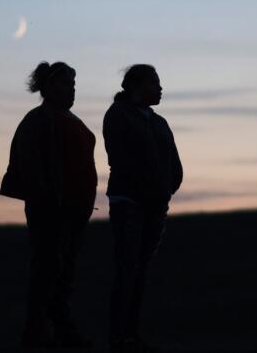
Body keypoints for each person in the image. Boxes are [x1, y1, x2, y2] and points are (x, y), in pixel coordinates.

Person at [0, 61, 97, 347]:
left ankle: (57, 330)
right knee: (47, 269)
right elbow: (30, 167)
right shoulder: (38, 120)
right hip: (51, 210)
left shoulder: (71, 120)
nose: (72, 90)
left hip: (75, 210)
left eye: (74, 85)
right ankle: (39, 333)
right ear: (50, 87)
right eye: (67, 84)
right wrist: (48, 198)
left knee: (64, 271)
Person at [103, 64, 183, 352]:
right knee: (127, 269)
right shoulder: (118, 115)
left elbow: (173, 160)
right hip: (130, 203)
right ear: (137, 86)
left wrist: (168, 188)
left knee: (141, 270)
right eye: (155, 83)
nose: (160, 88)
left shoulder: (159, 122)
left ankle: (131, 334)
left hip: (155, 205)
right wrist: (149, 189)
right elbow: (120, 158)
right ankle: (118, 336)